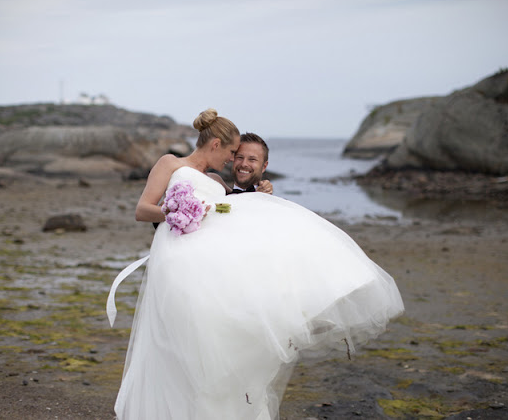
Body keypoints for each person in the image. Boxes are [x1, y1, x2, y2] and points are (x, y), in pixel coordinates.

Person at [107, 108, 404, 420]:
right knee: (173, 338)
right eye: (232, 153)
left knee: (210, 339)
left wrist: (261, 196)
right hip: (174, 261)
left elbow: (232, 214)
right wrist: (178, 211)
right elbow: (143, 210)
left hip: (206, 268)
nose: (232, 160)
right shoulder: (170, 163)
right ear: (216, 144)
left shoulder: (216, 181)